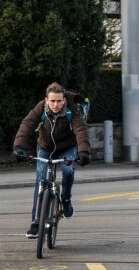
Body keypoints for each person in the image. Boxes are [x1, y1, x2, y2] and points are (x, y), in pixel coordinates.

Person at [14, 83, 90, 238]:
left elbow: (80, 130)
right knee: (41, 180)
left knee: (68, 170)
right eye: (52, 101)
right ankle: (36, 222)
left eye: (59, 101)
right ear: (46, 100)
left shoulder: (71, 110)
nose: (56, 105)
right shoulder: (40, 109)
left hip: (67, 148)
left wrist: (83, 151)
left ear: (64, 100)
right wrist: (19, 147)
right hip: (46, 148)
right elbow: (27, 125)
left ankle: (66, 200)